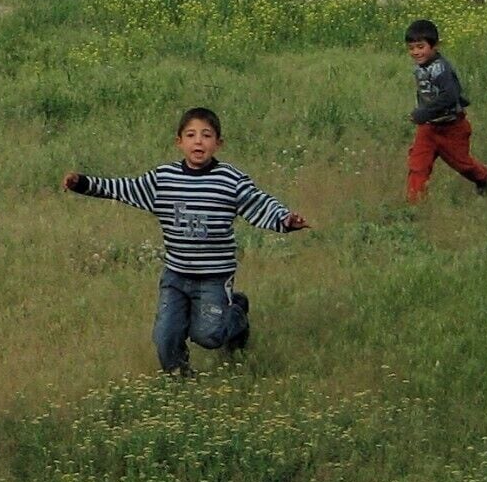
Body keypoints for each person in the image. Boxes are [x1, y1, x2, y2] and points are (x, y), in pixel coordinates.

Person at [65, 108, 308, 376]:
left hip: (214, 276)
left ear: (218, 143)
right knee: (165, 337)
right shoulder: (163, 179)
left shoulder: (229, 180)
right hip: (176, 275)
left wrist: (285, 220)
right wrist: (83, 184)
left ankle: (237, 312)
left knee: (208, 335)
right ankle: (182, 380)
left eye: (206, 135)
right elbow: (124, 188)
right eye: (191, 135)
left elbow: (258, 203)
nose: (198, 141)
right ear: (179, 141)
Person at [405, 18, 487, 203]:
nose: (416, 52)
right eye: (411, 48)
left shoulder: (440, 69)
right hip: (428, 129)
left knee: (462, 164)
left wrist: (425, 112)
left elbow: (449, 96)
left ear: (434, 45)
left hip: (452, 127)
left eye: (421, 47)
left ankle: (483, 177)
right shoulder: (420, 67)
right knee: (418, 165)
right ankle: (414, 207)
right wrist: (422, 113)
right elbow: (424, 92)